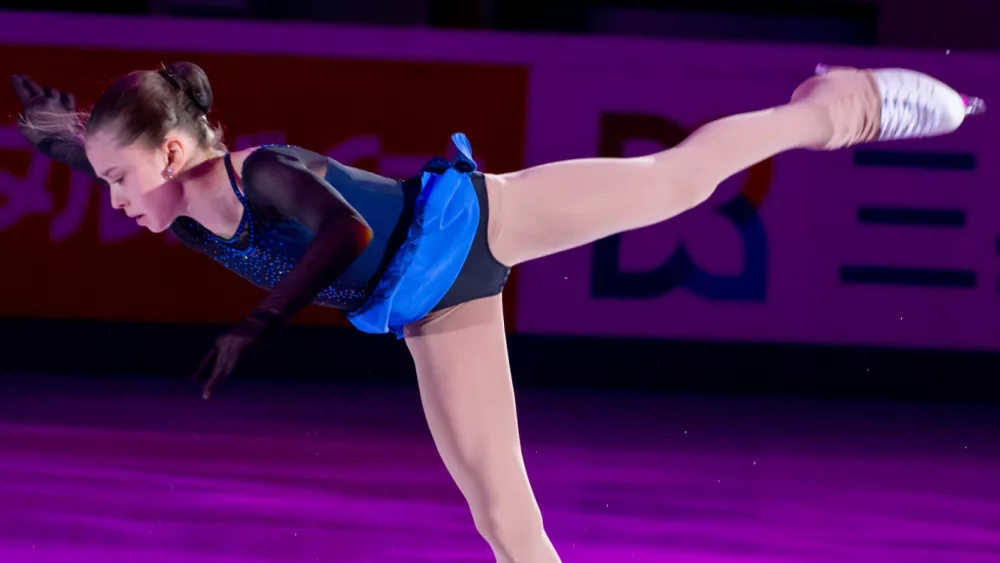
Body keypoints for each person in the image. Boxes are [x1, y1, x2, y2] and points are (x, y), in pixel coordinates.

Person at [10, 62, 983, 562]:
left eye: (120, 179)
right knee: (501, 518)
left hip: (480, 224)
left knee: (677, 179)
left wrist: (253, 325)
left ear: (174, 155)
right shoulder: (176, 209)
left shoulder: (261, 168)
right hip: (432, 314)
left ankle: (835, 106)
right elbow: (90, 145)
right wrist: (52, 122)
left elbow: (345, 237)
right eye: (101, 181)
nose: (113, 200)